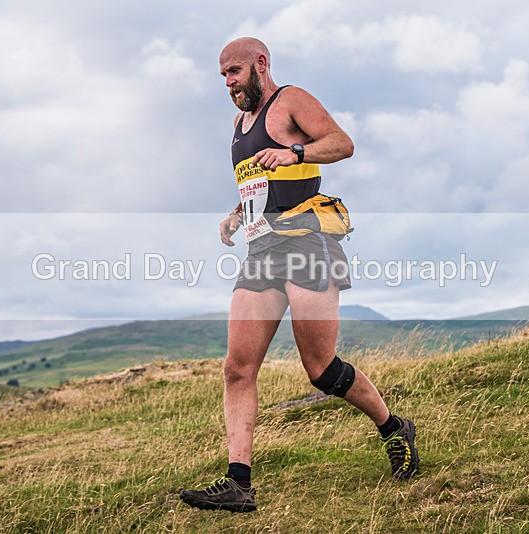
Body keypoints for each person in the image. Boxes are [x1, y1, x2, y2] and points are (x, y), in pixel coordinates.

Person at [179, 37, 419, 513]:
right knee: (237, 367)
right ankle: (238, 484)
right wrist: (235, 213)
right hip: (263, 249)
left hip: (308, 241)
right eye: (222, 76)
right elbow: (261, 184)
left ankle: (394, 428)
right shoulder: (238, 124)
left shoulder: (290, 100)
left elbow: (341, 144)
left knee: (322, 370)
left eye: (234, 72)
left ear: (260, 64)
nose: (228, 83)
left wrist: (296, 152)